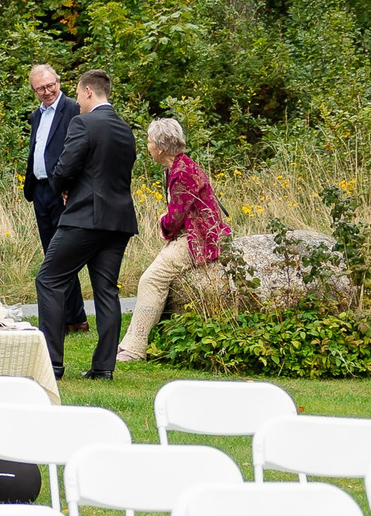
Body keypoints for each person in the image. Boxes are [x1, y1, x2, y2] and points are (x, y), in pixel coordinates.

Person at [35, 69, 139, 381]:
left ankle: (51, 363)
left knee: (49, 279)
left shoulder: (83, 122)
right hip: (119, 220)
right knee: (106, 290)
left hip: (85, 216)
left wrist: (63, 186)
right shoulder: (125, 129)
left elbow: (65, 167)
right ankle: (104, 367)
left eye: (78, 94)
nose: (77, 101)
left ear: (89, 91)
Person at [119, 116, 230, 364]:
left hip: (198, 239)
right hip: (190, 234)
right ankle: (130, 343)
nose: (146, 145)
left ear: (159, 147)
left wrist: (163, 226)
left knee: (151, 279)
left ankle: (135, 347)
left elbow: (176, 217)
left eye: (148, 141)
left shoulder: (183, 173)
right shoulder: (178, 167)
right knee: (154, 276)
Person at [22, 62, 90, 337]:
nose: (48, 91)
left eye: (51, 85)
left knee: (62, 256)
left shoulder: (74, 109)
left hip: (62, 192)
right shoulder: (37, 115)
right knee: (52, 255)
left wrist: (71, 186)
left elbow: (82, 151)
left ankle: (72, 317)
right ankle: (72, 316)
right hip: (39, 191)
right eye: (41, 88)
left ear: (58, 82)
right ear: (34, 90)